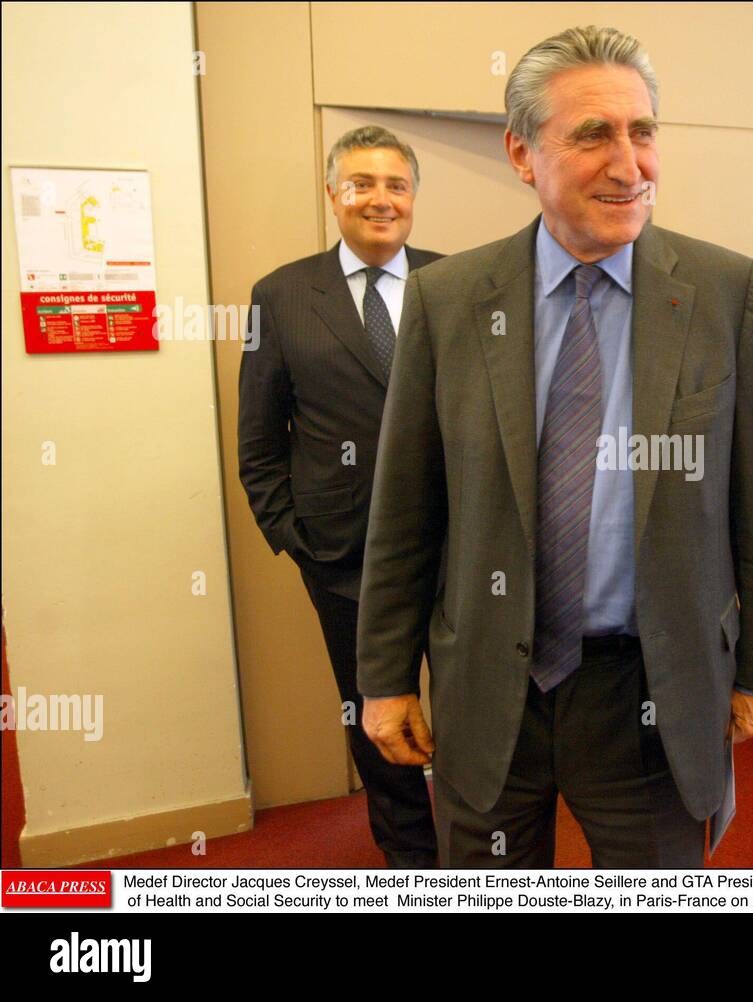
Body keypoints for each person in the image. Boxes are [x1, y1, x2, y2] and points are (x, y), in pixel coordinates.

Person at [355, 25, 753, 868]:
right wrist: (383, 677)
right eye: (593, 134)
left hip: (649, 690)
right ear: (523, 154)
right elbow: (406, 507)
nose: (629, 163)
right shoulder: (448, 300)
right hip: (491, 683)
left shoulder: (726, 291)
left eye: (643, 132)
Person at [238, 125, 441, 868]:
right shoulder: (282, 295)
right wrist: (294, 537)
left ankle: (484, 848)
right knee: (377, 720)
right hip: (342, 559)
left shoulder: (457, 285)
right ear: (333, 195)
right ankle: (415, 865)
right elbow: (258, 443)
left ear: (413, 196)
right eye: (361, 183)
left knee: (478, 709)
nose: (380, 199)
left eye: (396, 184)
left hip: (460, 552)